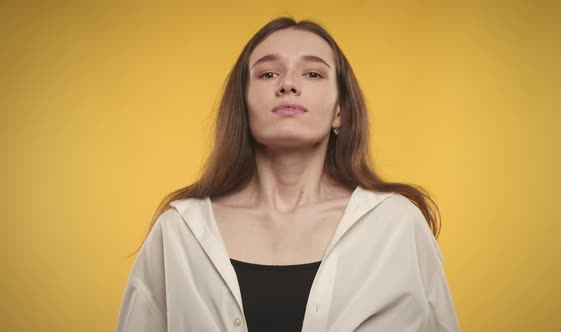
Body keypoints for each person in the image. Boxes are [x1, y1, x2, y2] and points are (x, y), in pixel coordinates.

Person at [116, 16, 460, 332]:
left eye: (313, 73)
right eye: (268, 74)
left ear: (340, 110)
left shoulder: (397, 226)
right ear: (243, 104)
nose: (288, 84)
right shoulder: (179, 233)